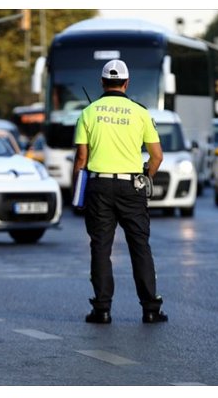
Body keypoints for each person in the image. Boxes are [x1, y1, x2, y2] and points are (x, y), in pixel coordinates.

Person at [72, 59, 167, 324]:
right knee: (139, 246)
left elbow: (81, 158)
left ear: (102, 82)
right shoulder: (140, 113)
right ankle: (151, 308)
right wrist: (144, 177)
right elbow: (157, 156)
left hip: (99, 187)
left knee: (101, 247)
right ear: (126, 83)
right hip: (131, 186)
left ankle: (102, 309)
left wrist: (78, 193)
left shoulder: (88, 112)